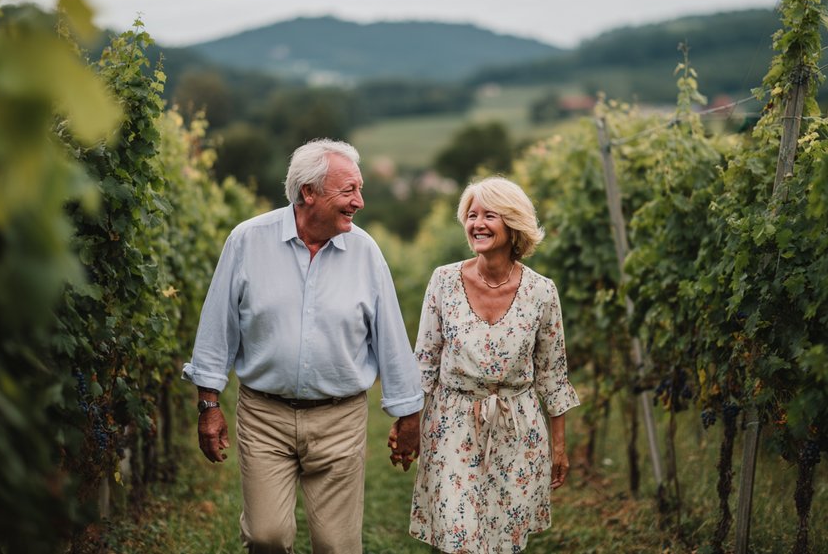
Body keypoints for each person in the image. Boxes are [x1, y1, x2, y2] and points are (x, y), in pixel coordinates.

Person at [183, 138, 423, 554]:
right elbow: (217, 327)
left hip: (339, 419)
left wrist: (407, 414)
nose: (360, 201)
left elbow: (391, 336)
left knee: (336, 545)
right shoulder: (247, 241)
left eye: (360, 189)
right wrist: (208, 405)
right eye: (348, 190)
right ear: (308, 192)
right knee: (266, 536)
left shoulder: (365, 252)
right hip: (264, 416)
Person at [389, 176, 580, 554]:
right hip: (452, 425)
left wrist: (559, 447)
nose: (477, 223)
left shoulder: (542, 292)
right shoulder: (443, 281)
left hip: (518, 429)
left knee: (504, 542)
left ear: (513, 224)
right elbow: (424, 363)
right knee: (460, 537)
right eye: (471, 215)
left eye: (489, 215)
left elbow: (553, 376)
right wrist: (408, 423)